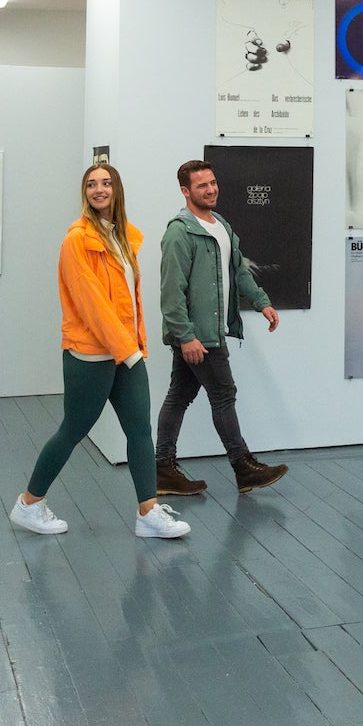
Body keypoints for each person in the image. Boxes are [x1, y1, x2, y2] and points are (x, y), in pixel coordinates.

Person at [11, 163, 189, 540]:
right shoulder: (76, 240)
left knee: (139, 430)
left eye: (106, 183)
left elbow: (129, 302)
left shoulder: (121, 235)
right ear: (85, 193)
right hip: (90, 355)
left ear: (116, 189)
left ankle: (148, 511)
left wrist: (135, 345)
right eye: (91, 184)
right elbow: (92, 304)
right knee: (72, 430)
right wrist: (129, 350)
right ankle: (28, 503)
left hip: (124, 352)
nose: (99, 189)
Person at [154, 160, 288, 496]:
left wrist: (261, 302)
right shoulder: (180, 233)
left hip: (208, 331)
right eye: (202, 185)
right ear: (185, 191)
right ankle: (243, 466)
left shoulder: (222, 226)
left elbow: (238, 271)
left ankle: (163, 469)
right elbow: (171, 293)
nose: (211, 189)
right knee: (223, 394)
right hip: (199, 336)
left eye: (213, 182)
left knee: (179, 396)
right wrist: (186, 337)